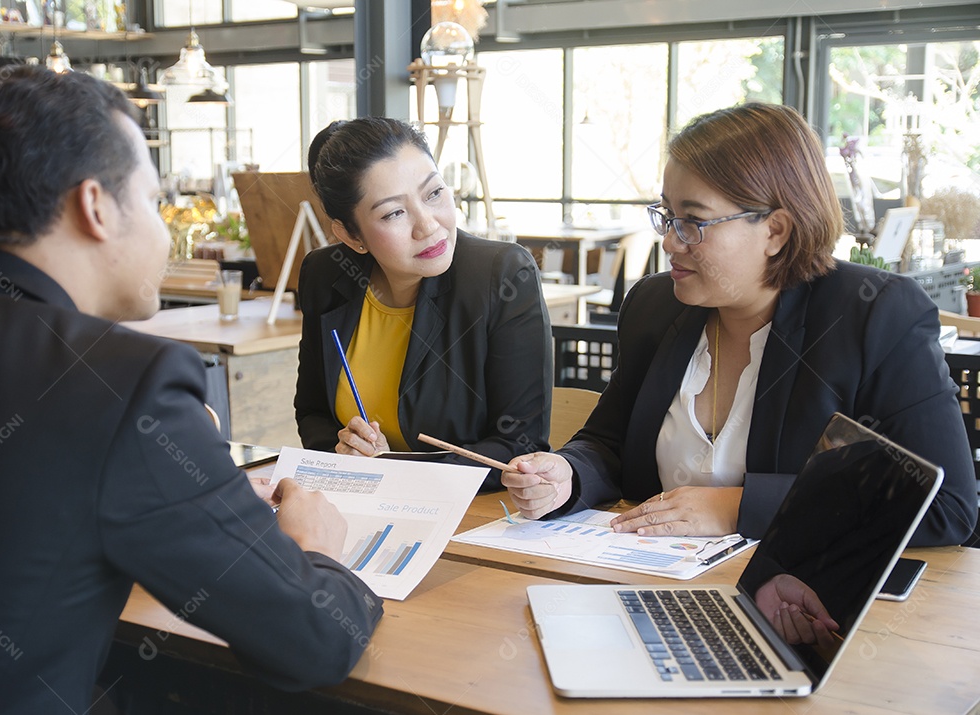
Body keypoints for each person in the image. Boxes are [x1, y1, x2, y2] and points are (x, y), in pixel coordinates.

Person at [0, 66, 381, 714]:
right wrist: (319, 546)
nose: (162, 230)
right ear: (95, 206)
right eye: (153, 202)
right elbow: (319, 638)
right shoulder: (124, 382)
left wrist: (188, 492)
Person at [503, 102, 977, 547]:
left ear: (776, 231)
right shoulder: (655, 305)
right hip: (649, 576)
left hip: (794, 607)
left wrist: (740, 507)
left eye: (693, 221)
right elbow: (610, 443)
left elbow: (946, 505)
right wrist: (568, 474)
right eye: (667, 215)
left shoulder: (875, 315)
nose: (670, 241)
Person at [296, 117, 552, 490]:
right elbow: (314, 413)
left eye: (433, 193)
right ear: (350, 235)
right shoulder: (325, 273)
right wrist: (344, 452)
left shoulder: (502, 274)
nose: (428, 225)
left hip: (469, 514)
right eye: (394, 213)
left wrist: (395, 467)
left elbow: (518, 446)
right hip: (360, 503)